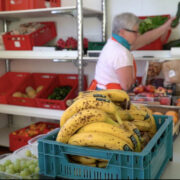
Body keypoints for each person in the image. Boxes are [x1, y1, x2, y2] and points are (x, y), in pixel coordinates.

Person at [88, 12, 175, 91]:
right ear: (122, 32)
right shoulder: (121, 52)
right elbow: (126, 85)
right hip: (111, 96)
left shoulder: (114, 42)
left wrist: (165, 27)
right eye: (135, 32)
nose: (138, 35)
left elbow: (144, 40)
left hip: (101, 91)